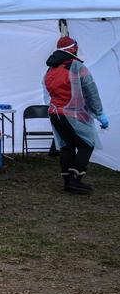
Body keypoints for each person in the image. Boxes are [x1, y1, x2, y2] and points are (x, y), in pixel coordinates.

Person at [44, 36, 108, 194]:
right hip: (71, 114)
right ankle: (75, 180)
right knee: (87, 144)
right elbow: (91, 92)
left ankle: (67, 180)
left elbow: (47, 92)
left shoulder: (51, 68)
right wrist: (100, 114)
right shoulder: (77, 66)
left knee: (67, 145)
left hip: (54, 113)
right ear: (73, 49)